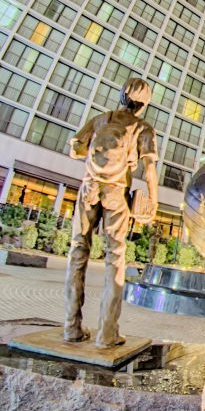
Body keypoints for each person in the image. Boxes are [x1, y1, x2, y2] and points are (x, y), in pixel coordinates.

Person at [63, 78, 158, 348]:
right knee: (115, 258)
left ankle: (71, 328)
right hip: (116, 193)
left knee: (77, 252)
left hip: (89, 188)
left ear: (121, 96)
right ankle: (107, 333)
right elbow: (150, 169)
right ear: (144, 105)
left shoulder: (100, 119)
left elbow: (76, 151)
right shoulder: (143, 128)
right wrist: (153, 201)